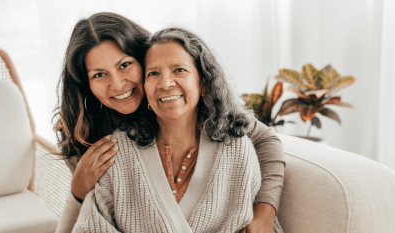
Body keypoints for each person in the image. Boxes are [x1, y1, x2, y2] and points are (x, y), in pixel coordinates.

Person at [54, 12, 285, 233]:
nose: (118, 85)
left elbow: (265, 140)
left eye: (125, 65)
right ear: (87, 84)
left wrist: (264, 212)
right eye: (98, 74)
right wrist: (78, 191)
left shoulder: (213, 122)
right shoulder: (89, 136)